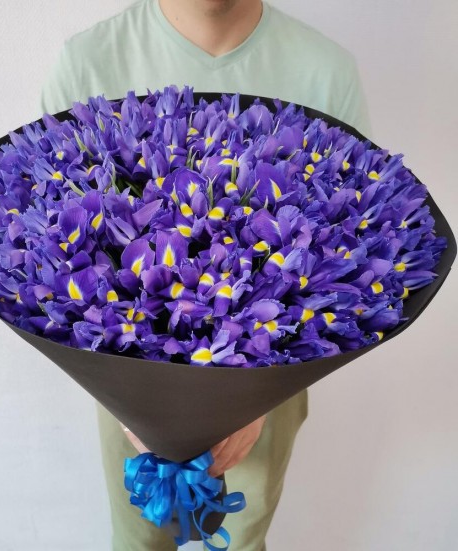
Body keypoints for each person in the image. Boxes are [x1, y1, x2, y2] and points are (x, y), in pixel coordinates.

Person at [38, 1, 372, 549]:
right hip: (125, 391)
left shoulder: (324, 70)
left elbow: (354, 247)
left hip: (270, 388)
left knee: (241, 541)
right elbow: (47, 246)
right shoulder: (88, 62)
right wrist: (134, 404)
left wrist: (254, 402)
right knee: (139, 542)